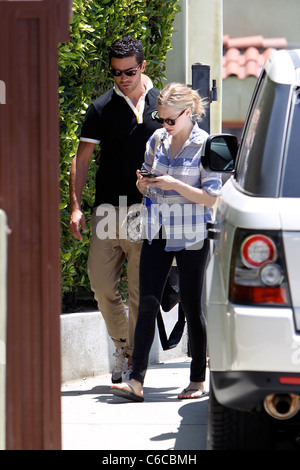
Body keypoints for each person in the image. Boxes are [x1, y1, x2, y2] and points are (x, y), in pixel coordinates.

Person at [111, 82, 222, 401]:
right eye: (160, 119)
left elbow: (210, 198)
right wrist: (142, 183)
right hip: (157, 228)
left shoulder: (207, 144)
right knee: (146, 302)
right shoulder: (156, 140)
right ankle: (137, 381)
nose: (164, 125)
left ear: (189, 113)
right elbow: (146, 186)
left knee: (190, 303)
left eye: (170, 120)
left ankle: (197, 380)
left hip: (192, 232)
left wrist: (174, 184)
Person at [69, 36, 161, 383]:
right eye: (116, 73)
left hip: (146, 213)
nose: (123, 78)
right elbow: (81, 161)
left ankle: (133, 361)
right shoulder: (100, 108)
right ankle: (123, 346)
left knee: (139, 293)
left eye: (130, 71)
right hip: (108, 211)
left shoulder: (162, 104)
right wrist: (76, 208)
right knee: (101, 285)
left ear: (143, 67)